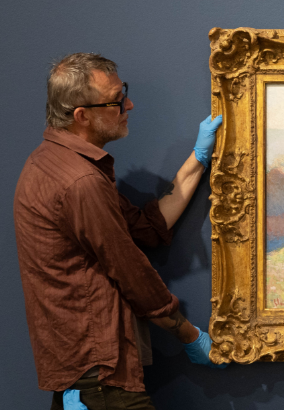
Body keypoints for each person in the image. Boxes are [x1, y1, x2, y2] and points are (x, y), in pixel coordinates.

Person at [13, 53, 225, 410]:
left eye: (122, 91)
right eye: (116, 100)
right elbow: (133, 275)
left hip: (87, 378)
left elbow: (144, 227)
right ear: (82, 116)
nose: (128, 103)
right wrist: (191, 337)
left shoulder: (55, 163)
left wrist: (198, 160)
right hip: (100, 380)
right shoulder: (80, 183)